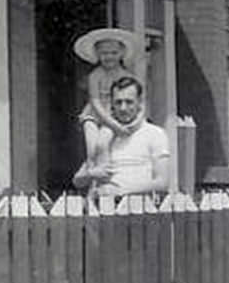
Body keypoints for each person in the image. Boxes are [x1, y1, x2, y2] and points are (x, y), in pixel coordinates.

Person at [73, 76, 170, 196]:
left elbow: (163, 183)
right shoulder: (104, 136)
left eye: (129, 102)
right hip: (105, 206)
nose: (123, 108)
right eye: (118, 102)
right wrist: (91, 174)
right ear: (111, 104)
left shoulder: (154, 133)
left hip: (139, 207)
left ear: (139, 102)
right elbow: (77, 181)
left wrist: (121, 191)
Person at [73, 27, 144, 169]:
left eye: (114, 53)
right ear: (97, 55)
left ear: (122, 53)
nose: (109, 57)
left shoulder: (127, 76)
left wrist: (136, 121)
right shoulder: (95, 76)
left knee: (102, 145)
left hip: (115, 114)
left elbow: (140, 102)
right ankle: (92, 179)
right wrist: (113, 124)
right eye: (104, 53)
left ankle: (105, 176)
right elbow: (95, 102)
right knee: (92, 148)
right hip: (95, 114)